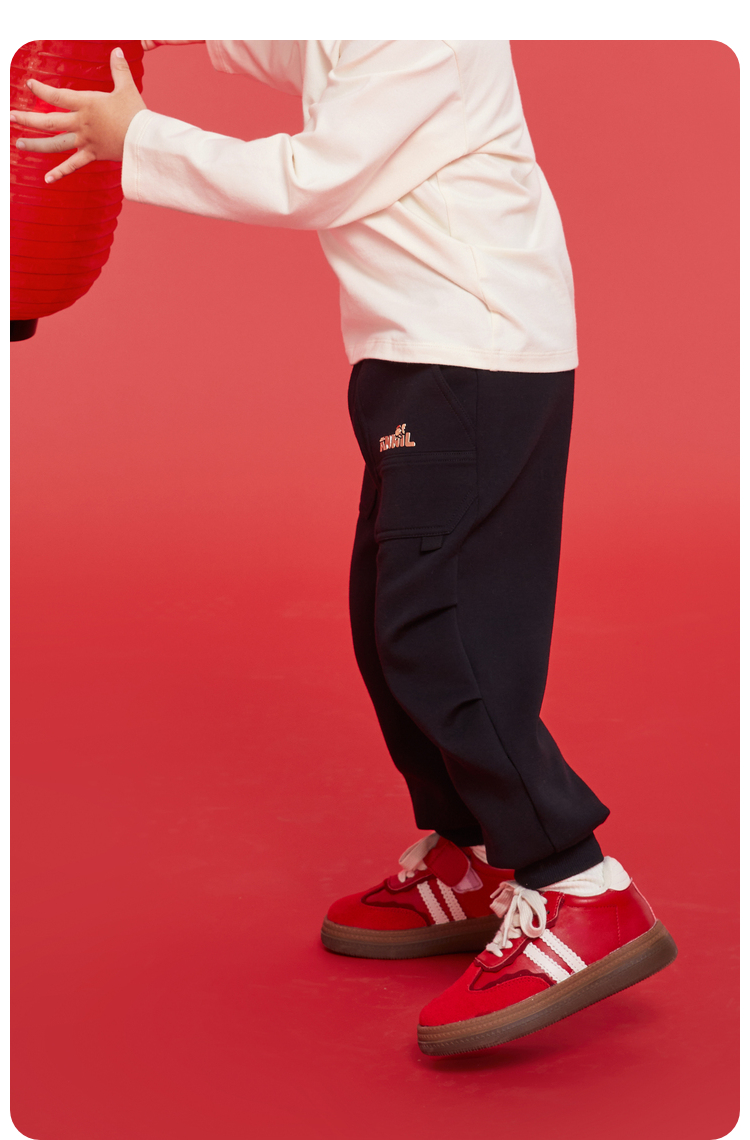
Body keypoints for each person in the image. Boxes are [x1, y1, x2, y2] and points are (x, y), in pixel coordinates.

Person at [11, 40, 677, 1057]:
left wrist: (136, 139)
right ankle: (472, 857)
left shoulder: (428, 33)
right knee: (384, 619)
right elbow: (288, 39)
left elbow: (309, 179)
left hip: (473, 355)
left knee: (440, 635)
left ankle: (579, 882)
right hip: (415, 355)